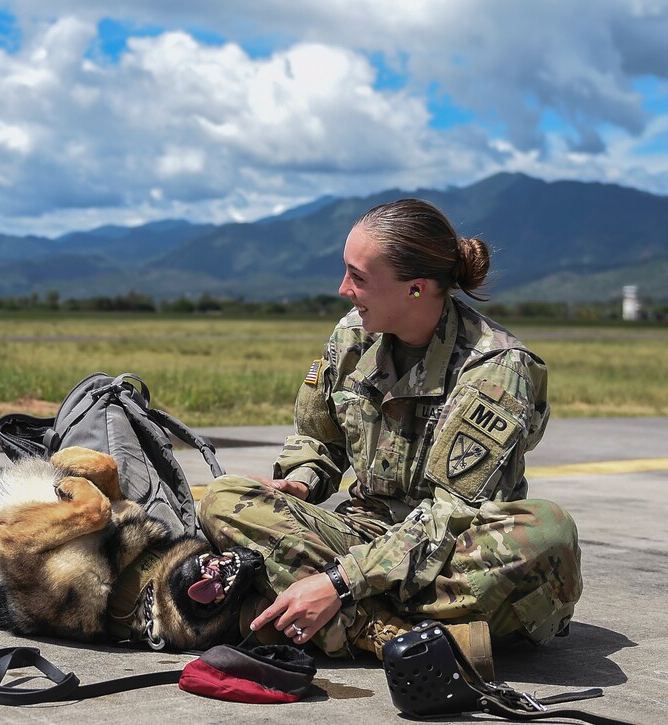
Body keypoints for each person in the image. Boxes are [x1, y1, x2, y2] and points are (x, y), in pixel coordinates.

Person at [199, 198, 581, 675]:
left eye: (358, 278)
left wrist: (338, 582)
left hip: (452, 557)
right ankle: (389, 635)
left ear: (416, 290)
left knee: (547, 532)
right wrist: (300, 483)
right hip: (362, 535)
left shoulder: (497, 367)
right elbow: (319, 441)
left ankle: (312, 609)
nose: (343, 290)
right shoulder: (352, 338)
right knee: (223, 498)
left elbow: (450, 515)